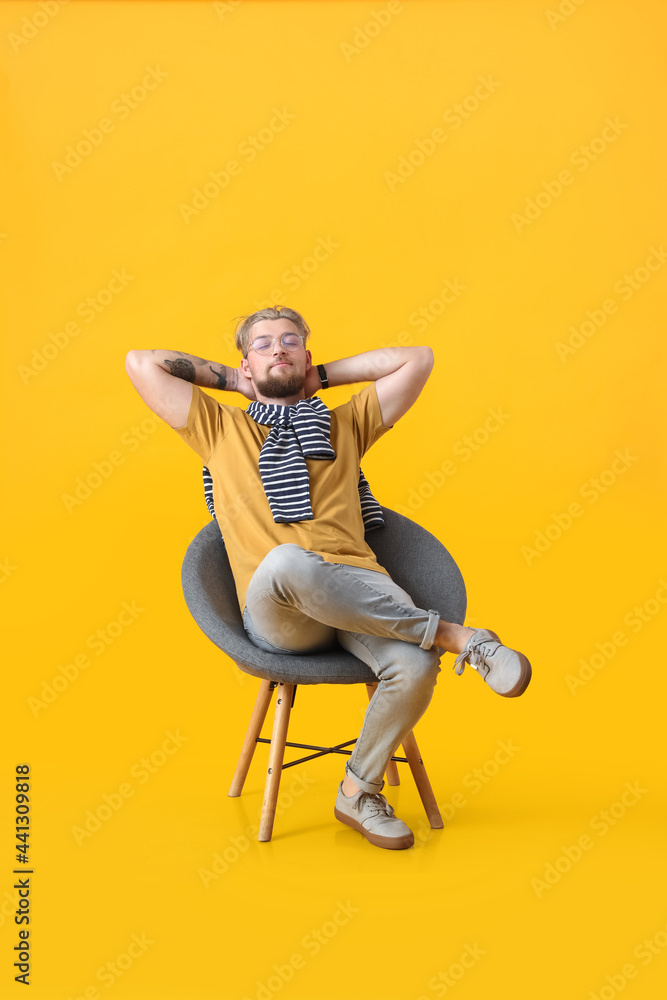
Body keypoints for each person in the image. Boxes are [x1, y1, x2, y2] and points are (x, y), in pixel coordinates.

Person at [125, 305, 531, 851]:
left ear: (308, 356)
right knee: (288, 562)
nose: (278, 349)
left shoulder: (344, 425)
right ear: (246, 361)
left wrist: (324, 377)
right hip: (281, 612)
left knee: (412, 664)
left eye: (290, 340)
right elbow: (142, 363)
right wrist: (232, 381)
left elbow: (418, 359)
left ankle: (358, 791)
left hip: (359, 587)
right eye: (263, 344)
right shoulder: (219, 426)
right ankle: (459, 638)